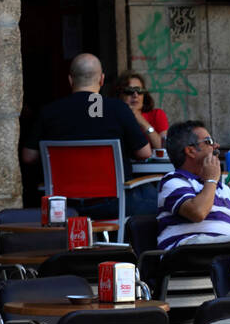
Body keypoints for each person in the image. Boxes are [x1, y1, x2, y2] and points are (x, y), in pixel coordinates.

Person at [21, 51, 159, 217]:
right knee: (160, 200)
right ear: (101, 79)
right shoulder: (118, 109)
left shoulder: (49, 112)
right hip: (112, 205)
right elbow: (144, 153)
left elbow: (28, 157)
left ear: (70, 80)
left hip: (64, 207)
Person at [157, 120, 230, 250]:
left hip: (224, 251)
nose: (216, 145)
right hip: (189, 252)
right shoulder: (173, 181)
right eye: (209, 142)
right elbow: (198, 212)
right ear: (190, 151)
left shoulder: (221, 189)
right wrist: (211, 180)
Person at [113, 70, 169, 147]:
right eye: (129, 91)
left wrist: (142, 121)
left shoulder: (156, 114)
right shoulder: (113, 118)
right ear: (120, 94)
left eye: (139, 91)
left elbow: (163, 147)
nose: (135, 95)